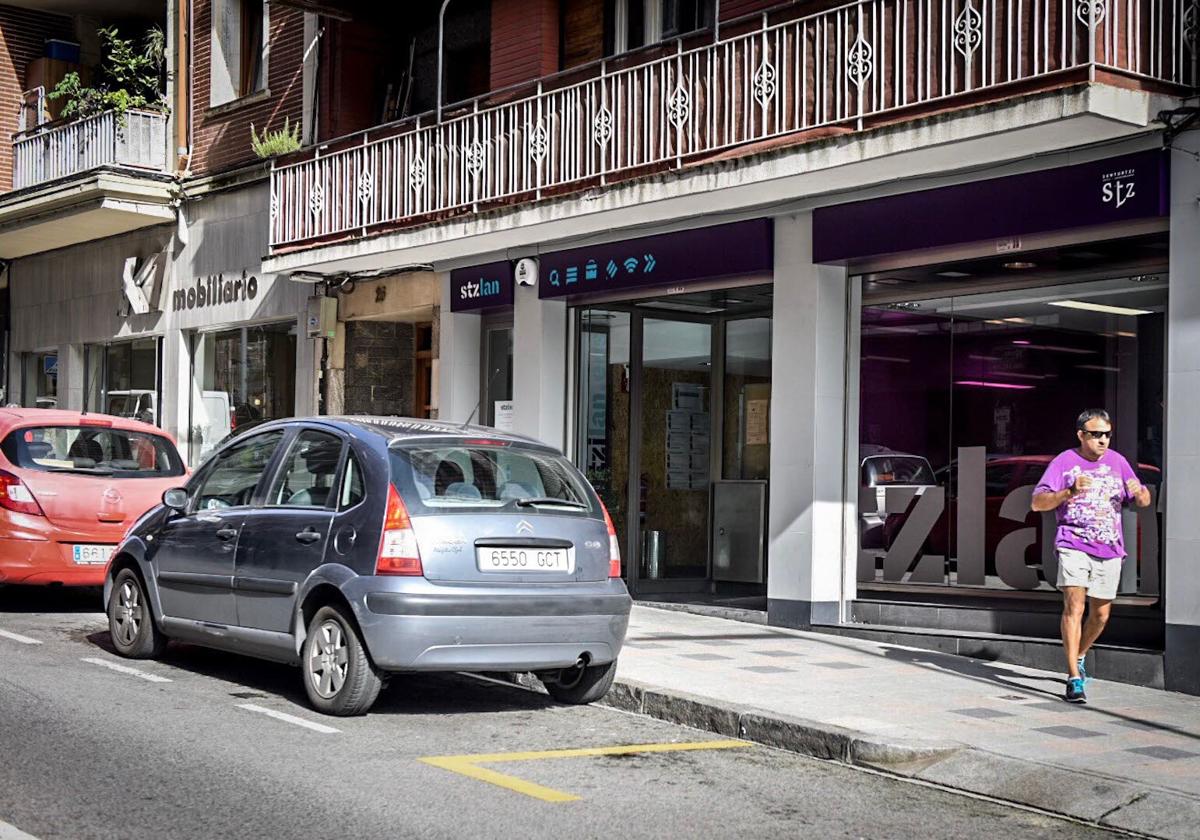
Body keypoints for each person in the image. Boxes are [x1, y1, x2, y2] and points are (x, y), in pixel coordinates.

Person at [1031, 409, 1152, 704]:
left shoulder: (1118, 462)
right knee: (1074, 606)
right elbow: (1037, 502)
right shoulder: (1064, 462)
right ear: (1081, 435)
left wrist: (1140, 493)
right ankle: (1073, 678)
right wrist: (1068, 491)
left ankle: (1081, 654)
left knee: (1100, 615)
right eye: (1096, 434)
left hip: (1109, 548)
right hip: (1073, 543)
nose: (1103, 440)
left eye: (1107, 434)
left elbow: (1144, 500)